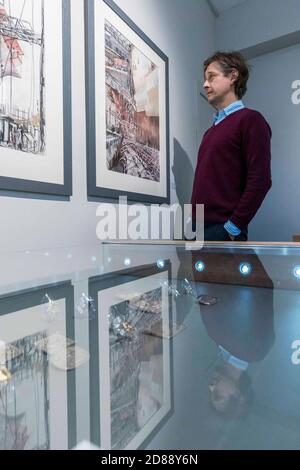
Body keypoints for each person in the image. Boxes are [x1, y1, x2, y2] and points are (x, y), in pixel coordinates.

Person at [191, 51, 272, 241]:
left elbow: (260, 180)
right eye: (205, 79)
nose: (205, 84)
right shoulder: (209, 132)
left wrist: (233, 226)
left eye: (211, 77)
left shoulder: (251, 120)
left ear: (233, 76)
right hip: (197, 229)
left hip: (223, 229)